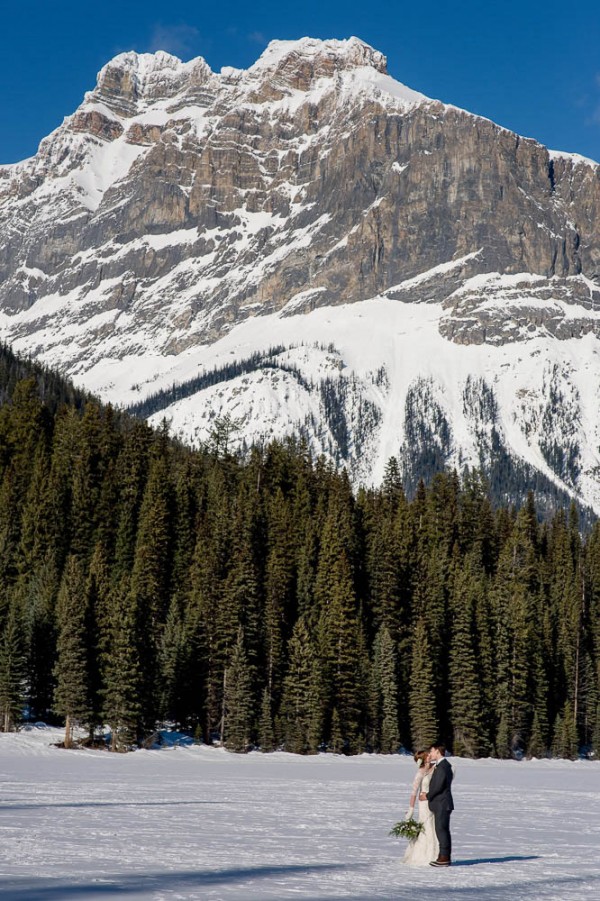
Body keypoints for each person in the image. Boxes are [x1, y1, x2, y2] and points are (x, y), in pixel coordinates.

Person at [402, 749, 439, 866]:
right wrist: (411, 809)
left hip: (434, 801)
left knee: (434, 826)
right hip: (424, 804)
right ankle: (424, 855)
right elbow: (414, 792)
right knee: (426, 826)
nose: (430, 756)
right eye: (427, 755)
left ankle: (436, 854)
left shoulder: (436, 767)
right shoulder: (420, 773)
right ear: (424, 759)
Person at [420, 741, 454, 867]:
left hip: (442, 804)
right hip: (440, 804)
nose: (430, 753)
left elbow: (438, 786)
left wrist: (426, 796)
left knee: (442, 830)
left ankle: (444, 857)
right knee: (441, 830)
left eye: (432, 751)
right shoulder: (441, 765)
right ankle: (443, 856)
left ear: (438, 751)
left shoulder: (444, 766)